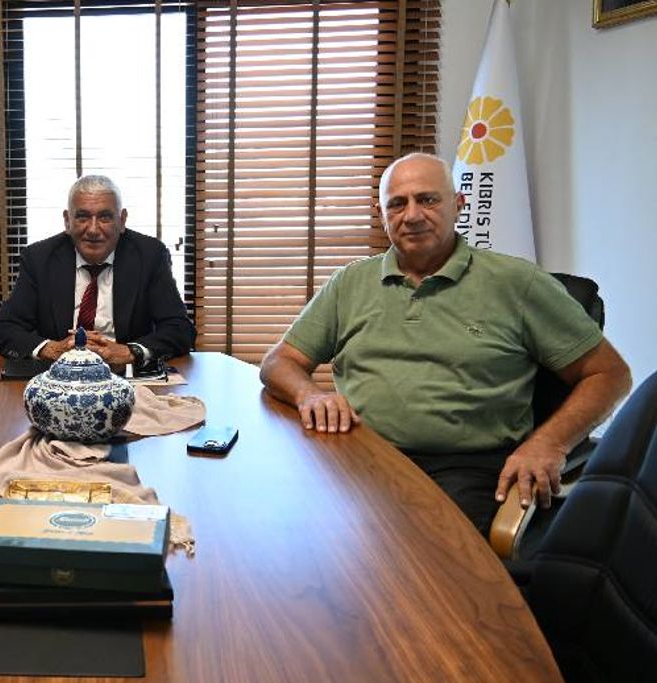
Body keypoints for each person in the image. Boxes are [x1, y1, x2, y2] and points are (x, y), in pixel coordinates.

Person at [259, 152, 631, 536]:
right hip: (359, 455)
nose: (412, 215)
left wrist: (549, 444)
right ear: (381, 214)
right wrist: (310, 395)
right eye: (397, 204)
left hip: (465, 470)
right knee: (282, 533)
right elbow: (279, 362)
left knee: (420, 559)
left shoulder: (517, 283)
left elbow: (610, 374)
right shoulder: (350, 283)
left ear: (458, 205)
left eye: (428, 199)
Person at [0, 174, 195, 367]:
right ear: (67, 221)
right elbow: (3, 329)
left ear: (122, 220)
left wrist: (130, 352)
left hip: (125, 376)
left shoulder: (150, 256)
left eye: (105, 217)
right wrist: (52, 349)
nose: (93, 229)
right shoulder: (39, 259)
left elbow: (180, 329)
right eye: (82, 217)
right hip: (59, 377)